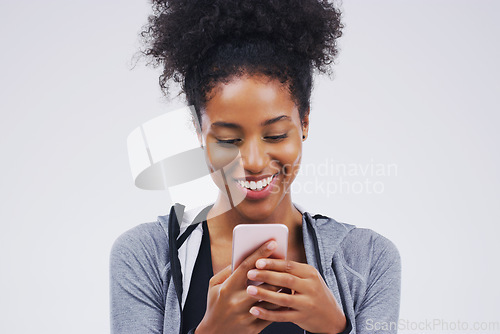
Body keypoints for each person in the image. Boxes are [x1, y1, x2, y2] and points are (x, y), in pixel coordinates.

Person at [109, 0, 401, 333]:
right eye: (228, 140)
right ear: (198, 131)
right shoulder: (144, 255)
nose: (254, 162)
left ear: (304, 122)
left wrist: (337, 329)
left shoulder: (367, 259)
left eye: (275, 134)